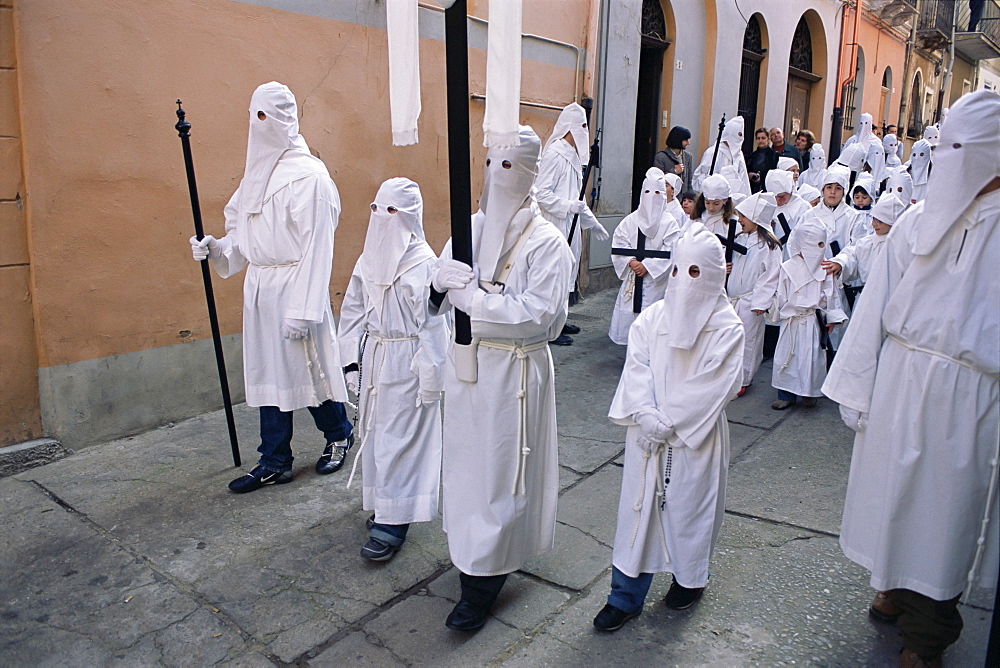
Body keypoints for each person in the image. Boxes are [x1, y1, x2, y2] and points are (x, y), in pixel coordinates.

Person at [822, 90, 999, 667]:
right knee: (891, 498)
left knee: (944, 514)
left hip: (969, 399)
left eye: (961, 149)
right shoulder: (918, 221)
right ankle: (894, 586)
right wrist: (857, 387)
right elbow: (875, 305)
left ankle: (929, 632)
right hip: (901, 380)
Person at [430, 125, 574, 632]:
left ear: (532, 173)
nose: (497, 175)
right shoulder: (466, 227)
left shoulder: (548, 243)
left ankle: (482, 583)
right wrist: (437, 284)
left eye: (509, 166)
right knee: (467, 467)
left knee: (502, 472)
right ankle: (470, 556)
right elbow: (435, 296)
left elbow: (540, 314)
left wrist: (474, 300)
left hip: (514, 372)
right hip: (468, 366)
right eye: (492, 163)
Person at [190, 82, 353, 493]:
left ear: (287, 120)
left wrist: (303, 310)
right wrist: (215, 249)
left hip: (296, 288)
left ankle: (339, 434)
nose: (259, 125)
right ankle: (275, 460)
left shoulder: (311, 177)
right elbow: (241, 236)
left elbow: (318, 249)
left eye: (268, 116)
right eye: (254, 115)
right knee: (268, 374)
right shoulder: (255, 177)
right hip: (261, 288)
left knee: (309, 372)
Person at [593, 224, 744, 632]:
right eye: (677, 270)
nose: (683, 281)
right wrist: (644, 413)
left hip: (695, 437)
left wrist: (670, 421)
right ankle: (624, 595)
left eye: (695, 273)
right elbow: (637, 364)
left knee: (688, 511)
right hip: (646, 434)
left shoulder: (727, 327)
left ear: (714, 275)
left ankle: (689, 578)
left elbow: (717, 383)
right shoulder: (653, 318)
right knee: (637, 515)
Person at [337, 177, 448, 561]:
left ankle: (393, 522)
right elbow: (351, 311)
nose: (381, 218)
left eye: (391, 211)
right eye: (375, 209)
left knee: (401, 442)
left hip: (408, 361)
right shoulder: (367, 259)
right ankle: (384, 506)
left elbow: (434, 324)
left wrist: (432, 375)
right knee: (376, 435)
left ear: (409, 216)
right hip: (376, 357)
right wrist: (351, 363)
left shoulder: (425, 264)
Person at [534, 103, 610, 346]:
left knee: (568, 269)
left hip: (571, 223)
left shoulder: (573, 157)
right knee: (554, 272)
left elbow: (578, 197)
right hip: (555, 223)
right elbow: (541, 194)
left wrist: (591, 221)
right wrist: (567, 207)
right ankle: (548, 327)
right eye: (582, 126)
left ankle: (559, 317)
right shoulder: (555, 155)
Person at [769, 218, 847, 410]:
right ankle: (785, 394)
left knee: (811, 358)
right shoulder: (788, 268)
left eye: (823, 244)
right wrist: (779, 312)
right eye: (817, 244)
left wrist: (831, 318)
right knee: (788, 356)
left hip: (813, 321)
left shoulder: (824, 268)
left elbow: (832, 295)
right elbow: (781, 294)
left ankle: (809, 392)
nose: (821, 249)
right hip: (792, 321)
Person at [608, 168, 681, 345]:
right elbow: (620, 242)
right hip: (633, 278)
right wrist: (631, 261)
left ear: (664, 196)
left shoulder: (669, 222)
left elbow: (672, 249)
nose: (652, 197)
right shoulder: (631, 220)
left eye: (657, 193)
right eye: (648, 192)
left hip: (657, 282)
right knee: (631, 322)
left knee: (653, 324)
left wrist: (648, 266)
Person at [727, 193, 781, 396]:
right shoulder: (737, 239)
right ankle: (728, 376)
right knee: (729, 339)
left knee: (749, 341)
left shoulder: (769, 246)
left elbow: (771, 275)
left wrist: (761, 301)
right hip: (732, 297)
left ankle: (744, 378)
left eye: (744, 216)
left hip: (750, 300)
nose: (739, 220)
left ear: (757, 218)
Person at [821, 194, 904, 300]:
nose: (874, 224)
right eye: (873, 219)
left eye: (879, 221)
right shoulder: (869, 242)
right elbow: (853, 254)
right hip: (869, 298)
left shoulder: (904, 245)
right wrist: (840, 263)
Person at [693, 116, 751, 197]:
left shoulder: (738, 155)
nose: (739, 139)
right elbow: (699, 177)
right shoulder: (712, 152)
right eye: (737, 135)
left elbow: (743, 178)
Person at [692, 174, 736, 238]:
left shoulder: (731, 221)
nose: (711, 207)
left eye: (716, 204)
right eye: (707, 203)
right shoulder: (697, 217)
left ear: (725, 200)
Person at [653, 126, 695, 193]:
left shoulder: (688, 157)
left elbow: (689, 180)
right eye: (685, 140)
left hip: (683, 199)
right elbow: (658, 180)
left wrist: (690, 196)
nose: (688, 143)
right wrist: (674, 171)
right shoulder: (661, 157)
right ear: (678, 140)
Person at [906, 126, 936, 202]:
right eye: (914, 155)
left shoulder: (934, 178)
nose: (917, 158)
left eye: (922, 155)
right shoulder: (906, 173)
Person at [746, 127, 778, 194]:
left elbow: (775, 174)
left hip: (768, 190)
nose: (760, 141)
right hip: (753, 190)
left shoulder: (775, 156)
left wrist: (762, 178)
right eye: (758, 138)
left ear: (768, 139)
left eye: (763, 138)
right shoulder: (751, 156)